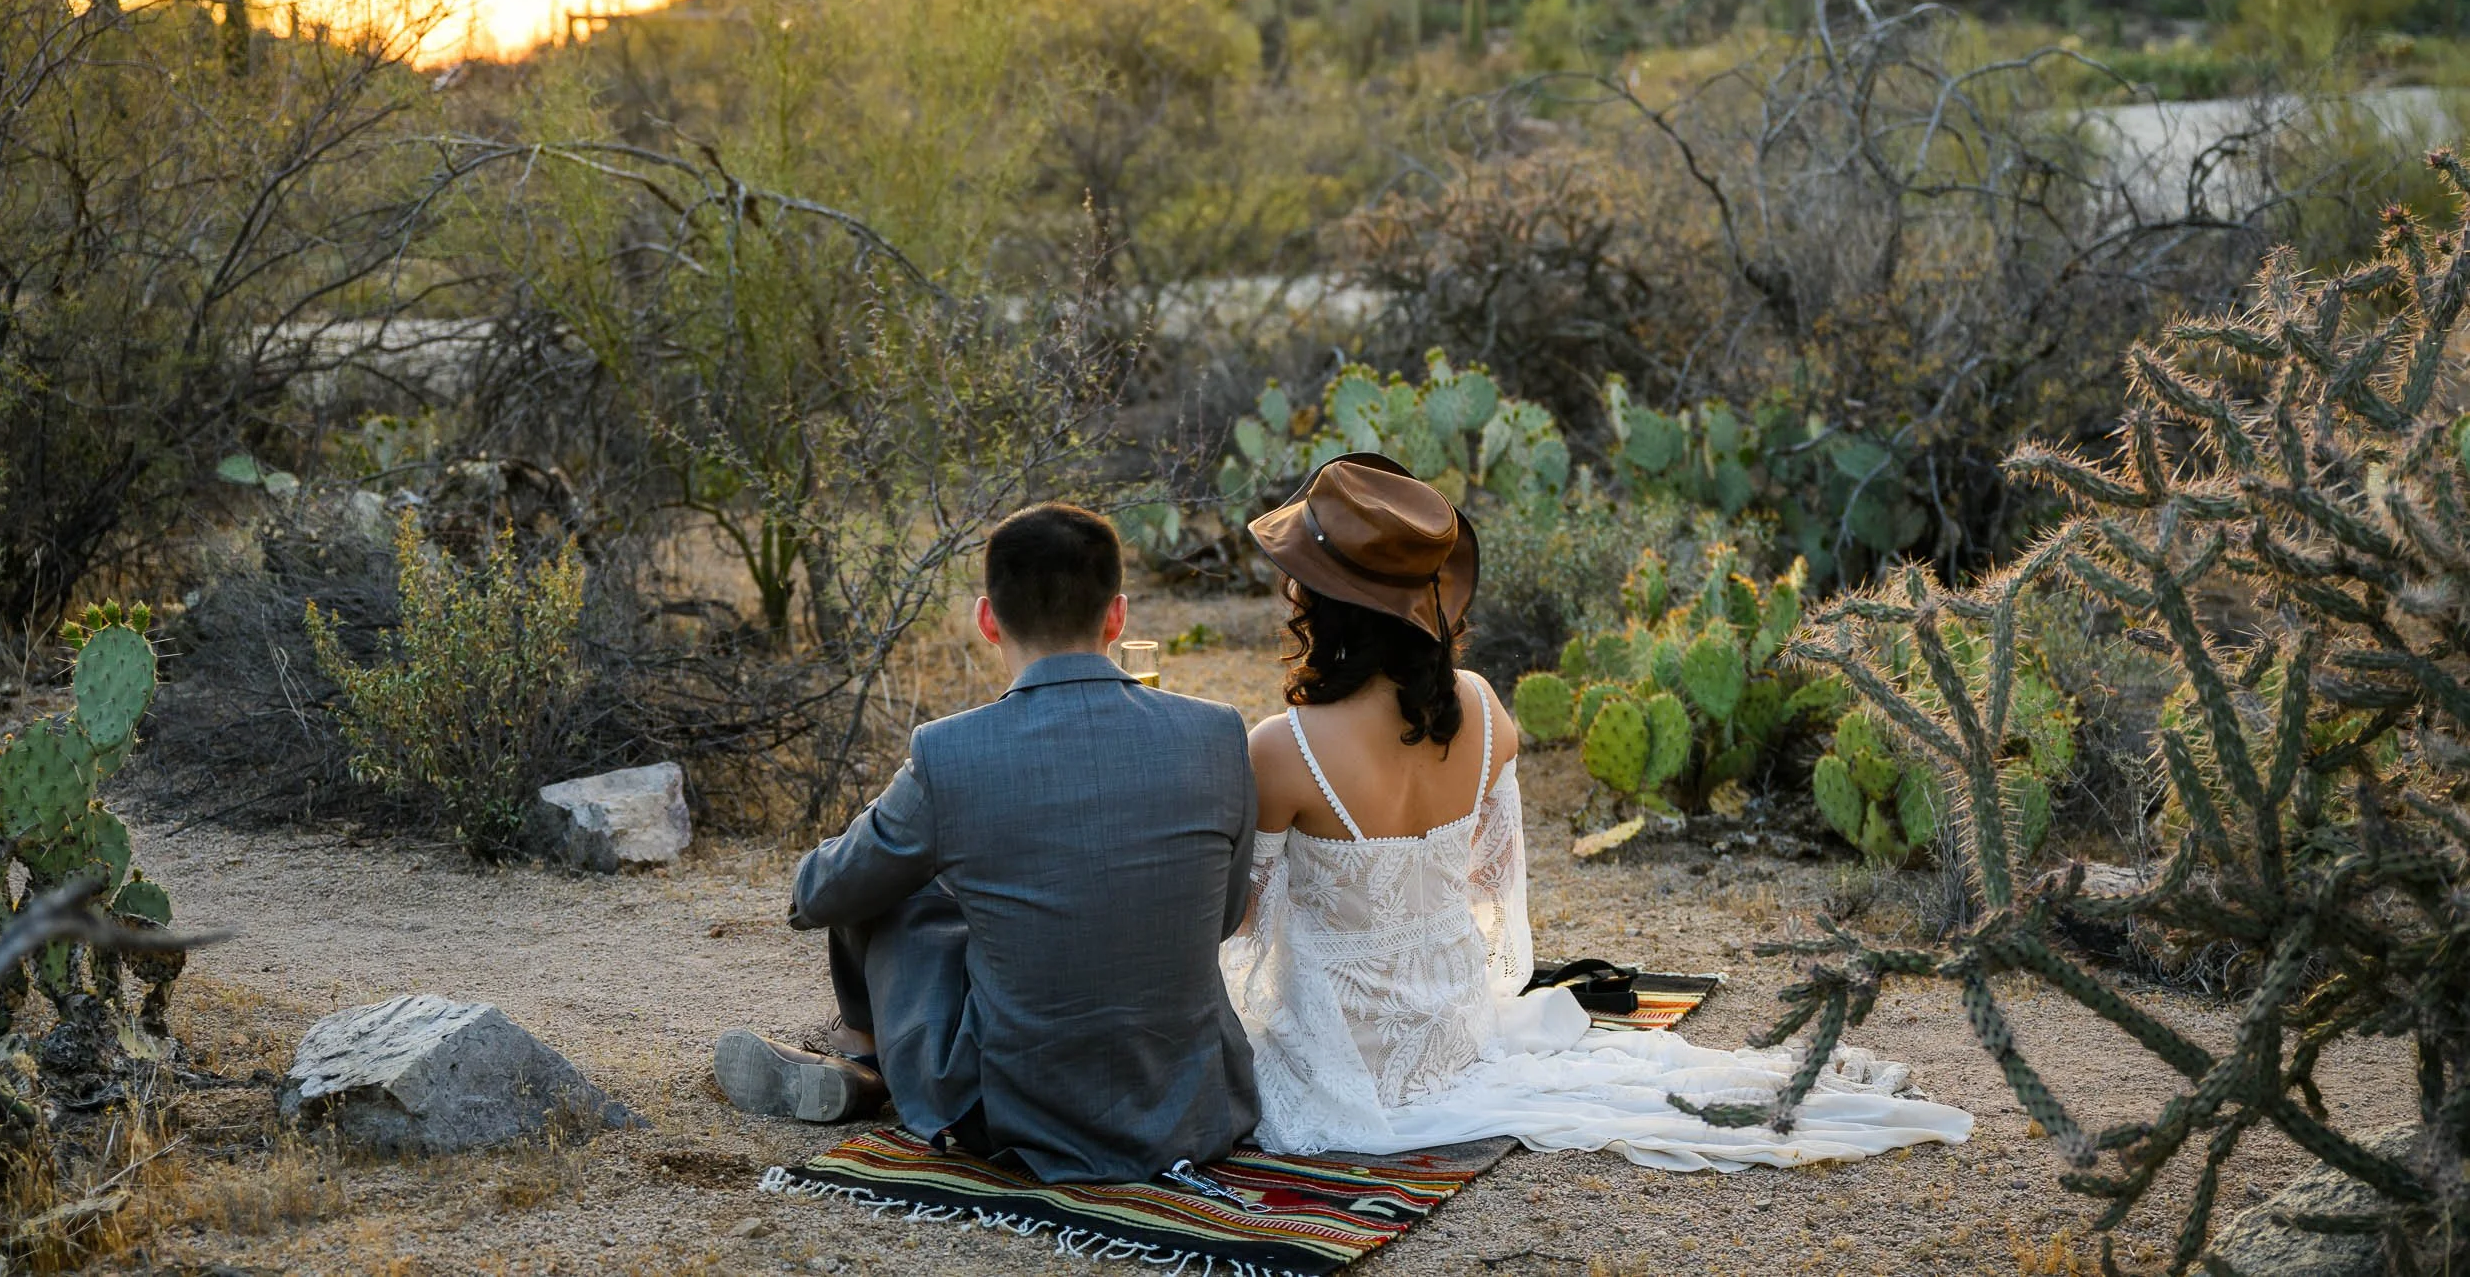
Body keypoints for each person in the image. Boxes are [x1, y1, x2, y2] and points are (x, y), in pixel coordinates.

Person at [1224, 453, 1973, 1169]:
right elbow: (1487, 876)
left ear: (1324, 601)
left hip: (1351, 1062)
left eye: (1300, 576)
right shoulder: (1484, 708)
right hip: (1456, 1030)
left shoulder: (1282, 749)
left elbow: (1243, 921)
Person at [713, 502, 1261, 1184]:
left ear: (987, 619)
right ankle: (865, 1061)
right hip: (1196, 1111)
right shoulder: (1218, 732)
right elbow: (1223, 911)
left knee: (897, 882)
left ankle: (866, 1057)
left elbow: (820, 894)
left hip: (1017, 1119)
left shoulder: (951, 751)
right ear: (1118, 616)